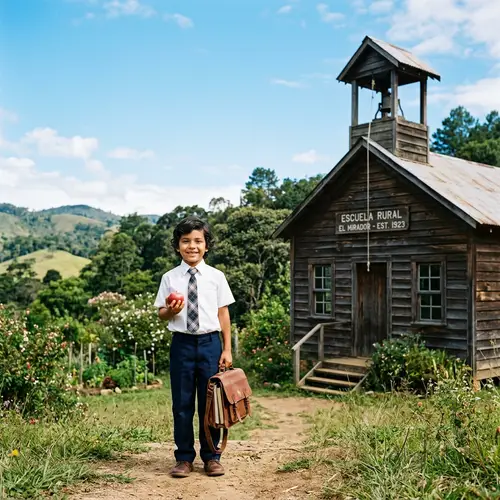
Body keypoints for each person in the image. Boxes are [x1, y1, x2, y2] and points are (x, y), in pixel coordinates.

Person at [154, 216, 235, 478]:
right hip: (182, 345)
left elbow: (223, 314)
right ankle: (184, 458)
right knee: (182, 404)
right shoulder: (170, 278)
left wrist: (227, 349)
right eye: (186, 241)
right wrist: (171, 310)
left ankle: (212, 457)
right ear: (177, 246)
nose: (192, 246)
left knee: (211, 405)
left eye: (198, 241)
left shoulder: (216, 277)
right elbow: (161, 314)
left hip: (210, 343)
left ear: (206, 246)